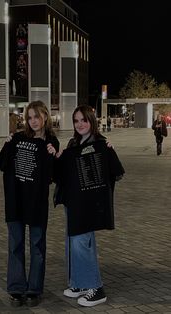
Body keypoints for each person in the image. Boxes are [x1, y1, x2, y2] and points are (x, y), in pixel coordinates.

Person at [54, 105, 124, 307]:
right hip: (73, 202)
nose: (80, 124)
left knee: (81, 244)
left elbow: (115, 173)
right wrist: (58, 156)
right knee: (72, 242)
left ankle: (95, 288)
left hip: (89, 204)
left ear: (91, 121)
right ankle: (79, 283)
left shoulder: (101, 143)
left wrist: (110, 152)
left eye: (84, 120)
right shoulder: (72, 143)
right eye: (76, 121)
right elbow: (63, 173)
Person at [0, 101, 59, 307]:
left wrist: (54, 155)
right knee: (15, 245)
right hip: (15, 200)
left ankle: (34, 289)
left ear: (45, 117)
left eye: (37, 117)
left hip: (37, 202)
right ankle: (16, 288)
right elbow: (3, 164)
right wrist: (7, 143)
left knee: (38, 246)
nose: (33, 121)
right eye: (29, 117)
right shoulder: (16, 139)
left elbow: (55, 173)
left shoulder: (51, 142)